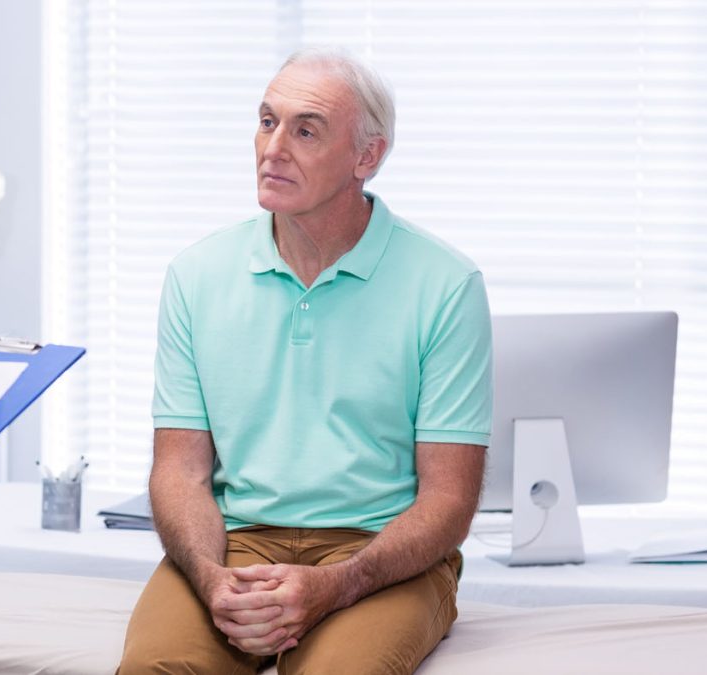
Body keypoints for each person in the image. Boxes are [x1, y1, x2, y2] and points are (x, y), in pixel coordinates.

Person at [118, 47, 493, 675]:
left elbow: (448, 500)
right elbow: (180, 470)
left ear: (366, 157)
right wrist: (210, 578)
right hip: (236, 545)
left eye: (306, 129)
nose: (273, 148)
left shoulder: (446, 284)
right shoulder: (196, 275)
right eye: (267, 122)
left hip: (380, 552)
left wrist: (337, 586)